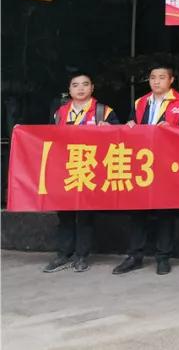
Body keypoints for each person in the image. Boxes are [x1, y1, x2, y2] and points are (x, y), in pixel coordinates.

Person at [112, 64, 179, 276]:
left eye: (162, 77)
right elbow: (132, 127)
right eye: (153, 77)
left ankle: (163, 257)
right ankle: (135, 255)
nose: (156, 81)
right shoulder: (140, 102)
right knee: (138, 211)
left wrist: (174, 129)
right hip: (143, 165)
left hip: (168, 165)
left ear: (171, 80)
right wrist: (129, 126)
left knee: (165, 212)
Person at [42, 71, 120, 274]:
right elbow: (49, 138)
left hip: (91, 170)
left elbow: (121, 139)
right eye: (75, 85)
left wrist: (110, 128)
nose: (80, 88)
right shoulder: (60, 113)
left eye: (85, 84)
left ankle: (81, 256)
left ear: (92, 88)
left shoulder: (104, 111)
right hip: (65, 169)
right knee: (65, 215)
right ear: (69, 90)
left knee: (85, 215)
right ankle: (63, 254)